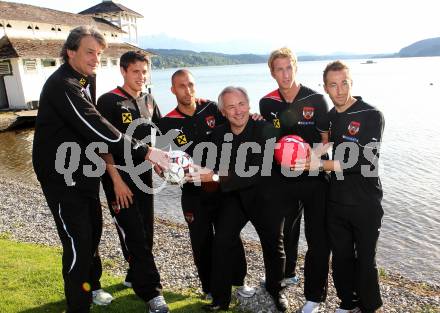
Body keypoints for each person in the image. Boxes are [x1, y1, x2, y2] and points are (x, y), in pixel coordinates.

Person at [32, 26, 168, 313]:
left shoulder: (86, 79)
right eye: (89, 52)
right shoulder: (63, 85)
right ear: (70, 52)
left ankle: (92, 286)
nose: (95, 58)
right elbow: (96, 125)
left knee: (92, 233)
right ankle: (78, 306)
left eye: (99, 53)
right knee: (77, 242)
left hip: (86, 172)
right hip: (61, 176)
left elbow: (93, 132)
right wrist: (145, 151)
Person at [187, 86, 289, 312]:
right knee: (222, 240)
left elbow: (256, 170)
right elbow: (207, 162)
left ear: (249, 105)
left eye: (241, 104)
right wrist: (183, 168)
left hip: (267, 197)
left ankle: (276, 291)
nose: (238, 110)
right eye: (231, 106)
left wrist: (213, 176)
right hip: (235, 198)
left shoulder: (265, 129)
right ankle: (220, 300)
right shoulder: (218, 134)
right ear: (223, 112)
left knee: (273, 246)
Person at [157, 70, 254, 300]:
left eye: (190, 84)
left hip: (220, 187)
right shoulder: (167, 121)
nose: (187, 90)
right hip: (192, 192)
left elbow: (238, 120)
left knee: (229, 235)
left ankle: (239, 282)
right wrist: (162, 169)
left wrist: (255, 117)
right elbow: (161, 156)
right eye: (181, 86)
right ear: (173, 90)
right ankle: (209, 288)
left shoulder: (211, 109)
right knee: (201, 241)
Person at [306, 60, 384, 313]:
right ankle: (347, 303)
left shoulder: (371, 115)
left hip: (364, 201)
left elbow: (362, 159)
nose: (339, 90)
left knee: (365, 260)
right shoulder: (329, 117)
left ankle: (370, 306)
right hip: (336, 199)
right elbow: (324, 145)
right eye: (333, 85)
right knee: (341, 258)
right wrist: (307, 157)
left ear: (351, 83)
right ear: (326, 88)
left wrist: (317, 166)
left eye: (344, 84)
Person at [96, 51, 169, 313]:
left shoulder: (149, 100)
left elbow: (158, 137)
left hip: (144, 177)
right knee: (134, 234)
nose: (141, 76)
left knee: (146, 232)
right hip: (119, 178)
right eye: (136, 71)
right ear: (124, 71)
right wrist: (115, 180)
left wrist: (161, 164)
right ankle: (153, 294)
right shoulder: (108, 101)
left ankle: (133, 275)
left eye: (144, 71)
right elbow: (101, 146)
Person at [259, 47, 331, 313]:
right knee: (284, 230)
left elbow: (328, 141)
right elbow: (269, 137)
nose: (285, 74)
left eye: (289, 67)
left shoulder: (316, 99)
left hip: (314, 175)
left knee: (317, 237)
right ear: (272, 72)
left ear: (296, 68)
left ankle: (314, 297)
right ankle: (285, 276)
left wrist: (312, 157)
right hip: (284, 177)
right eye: (279, 69)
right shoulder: (267, 103)